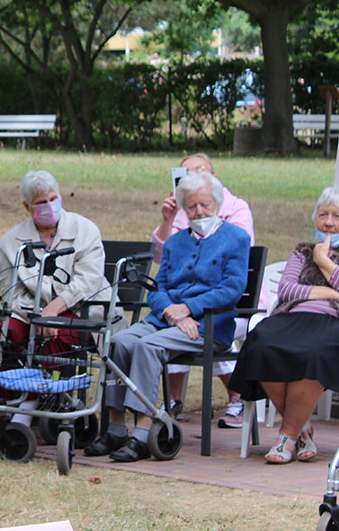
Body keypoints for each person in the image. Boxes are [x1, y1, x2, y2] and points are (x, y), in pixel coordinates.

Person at [84, 170, 249, 462]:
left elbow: (232, 289)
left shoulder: (236, 238)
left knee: (148, 347)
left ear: (218, 204)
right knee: (119, 342)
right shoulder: (174, 242)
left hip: (208, 327)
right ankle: (117, 428)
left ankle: (143, 434)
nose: (199, 212)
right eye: (192, 206)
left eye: (205, 205)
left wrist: (189, 309)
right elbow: (157, 290)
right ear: (184, 209)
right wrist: (173, 315)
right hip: (167, 321)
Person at [0, 170, 106, 437]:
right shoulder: (10, 241)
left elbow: (88, 281)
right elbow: (10, 291)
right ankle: (1, 405)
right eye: (41, 202)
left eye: (54, 198)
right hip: (30, 312)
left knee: (55, 334)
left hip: (78, 309)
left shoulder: (85, 230)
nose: (50, 206)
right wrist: (38, 314)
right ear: (27, 206)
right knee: (0, 330)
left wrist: (54, 309)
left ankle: (25, 412)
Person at [229, 186, 339, 464]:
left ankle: (287, 436)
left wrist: (324, 262)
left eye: (337, 216)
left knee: (314, 353)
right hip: (292, 317)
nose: (328, 222)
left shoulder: (318, 256)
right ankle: (302, 431)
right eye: (323, 214)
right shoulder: (302, 252)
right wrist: (328, 292)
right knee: (261, 343)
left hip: (331, 322)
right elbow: (287, 289)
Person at [152, 153, 255, 427]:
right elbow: (162, 260)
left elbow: (229, 262)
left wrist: (186, 309)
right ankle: (173, 400)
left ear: (214, 176)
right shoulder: (182, 209)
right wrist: (168, 219)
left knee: (204, 325)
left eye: (200, 171)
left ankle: (236, 397)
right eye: (186, 174)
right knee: (177, 326)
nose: (194, 178)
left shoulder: (234, 208)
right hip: (182, 305)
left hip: (230, 306)